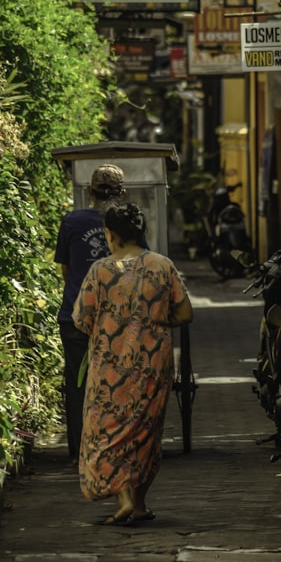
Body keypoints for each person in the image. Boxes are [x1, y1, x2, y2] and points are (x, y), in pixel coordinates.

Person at [72, 202, 194, 525]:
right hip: (153, 366)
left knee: (106, 433)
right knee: (145, 433)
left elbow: (81, 318)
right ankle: (138, 503)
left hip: (109, 369)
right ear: (142, 231)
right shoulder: (162, 266)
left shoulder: (99, 271)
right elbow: (185, 314)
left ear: (110, 235)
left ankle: (125, 499)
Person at [54, 164, 127, 465]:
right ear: (122, 193)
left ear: (89, 191)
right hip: (118, 320)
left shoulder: (71, 221)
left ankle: (80, 450)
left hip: (76, 315)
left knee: (77, 383)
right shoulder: (128, 222)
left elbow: (65, 269)